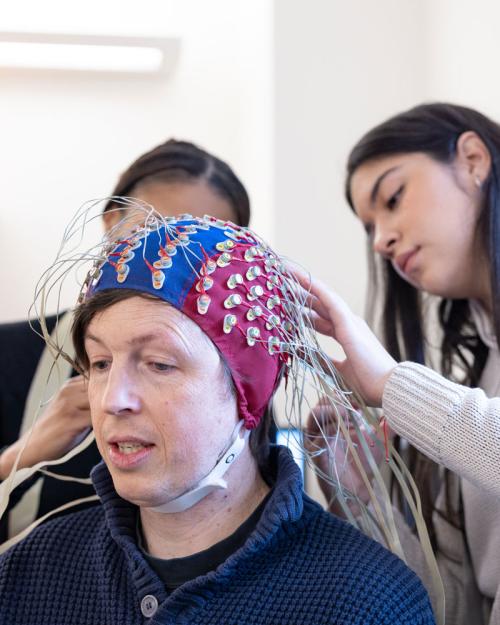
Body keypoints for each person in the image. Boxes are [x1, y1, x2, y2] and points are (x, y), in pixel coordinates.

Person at [0, 212, 434, 625]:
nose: (114, 399)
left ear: (251, 390)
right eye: (99, 363)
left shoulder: (365, 600)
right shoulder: (27, 575)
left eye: (159, 364)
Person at [305, 103, 500, 625]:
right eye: (370, 225)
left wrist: (390, 382)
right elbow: (459, 609)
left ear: (473, 159)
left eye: (393, 198)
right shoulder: (476, 381)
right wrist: (365, 501)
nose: (381, 241)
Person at [0, 139, 251, 542]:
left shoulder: (237, 389)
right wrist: (22, 457)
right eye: (153, 234)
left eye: (203, 249)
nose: (170, 264)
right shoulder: (10, 355)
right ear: (111, 223)